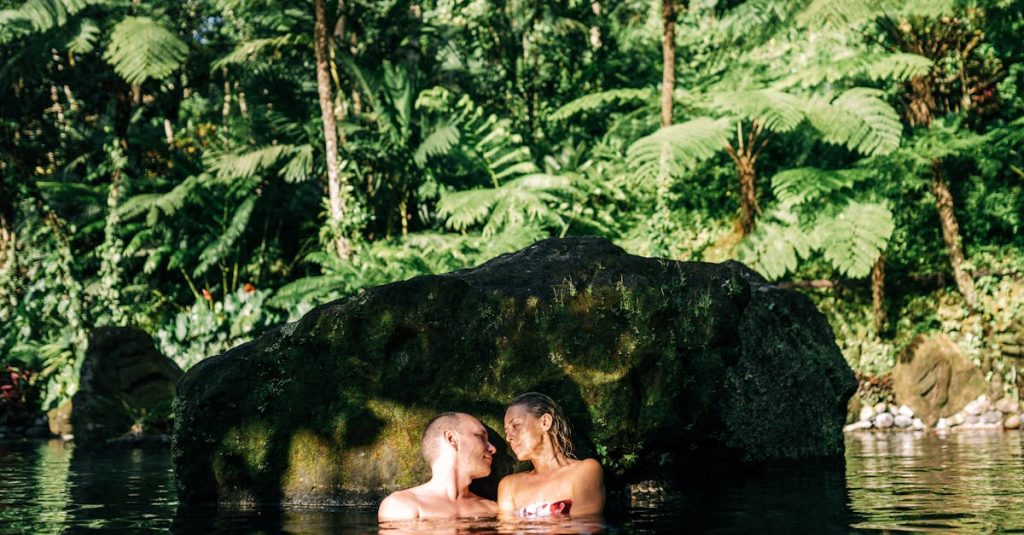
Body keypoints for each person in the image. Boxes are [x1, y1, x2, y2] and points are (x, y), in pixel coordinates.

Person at [498, 392, 605, 517]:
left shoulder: (584, 472)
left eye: (516, 425)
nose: (508, 437)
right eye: (507, 431)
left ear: (545, 422)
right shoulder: (509, 487)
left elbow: (584, 527)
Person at [377, 412, 499, 521]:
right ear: (452, 439)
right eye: (481, 437)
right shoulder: (402, 506)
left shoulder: (493, 508)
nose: (493, 449)